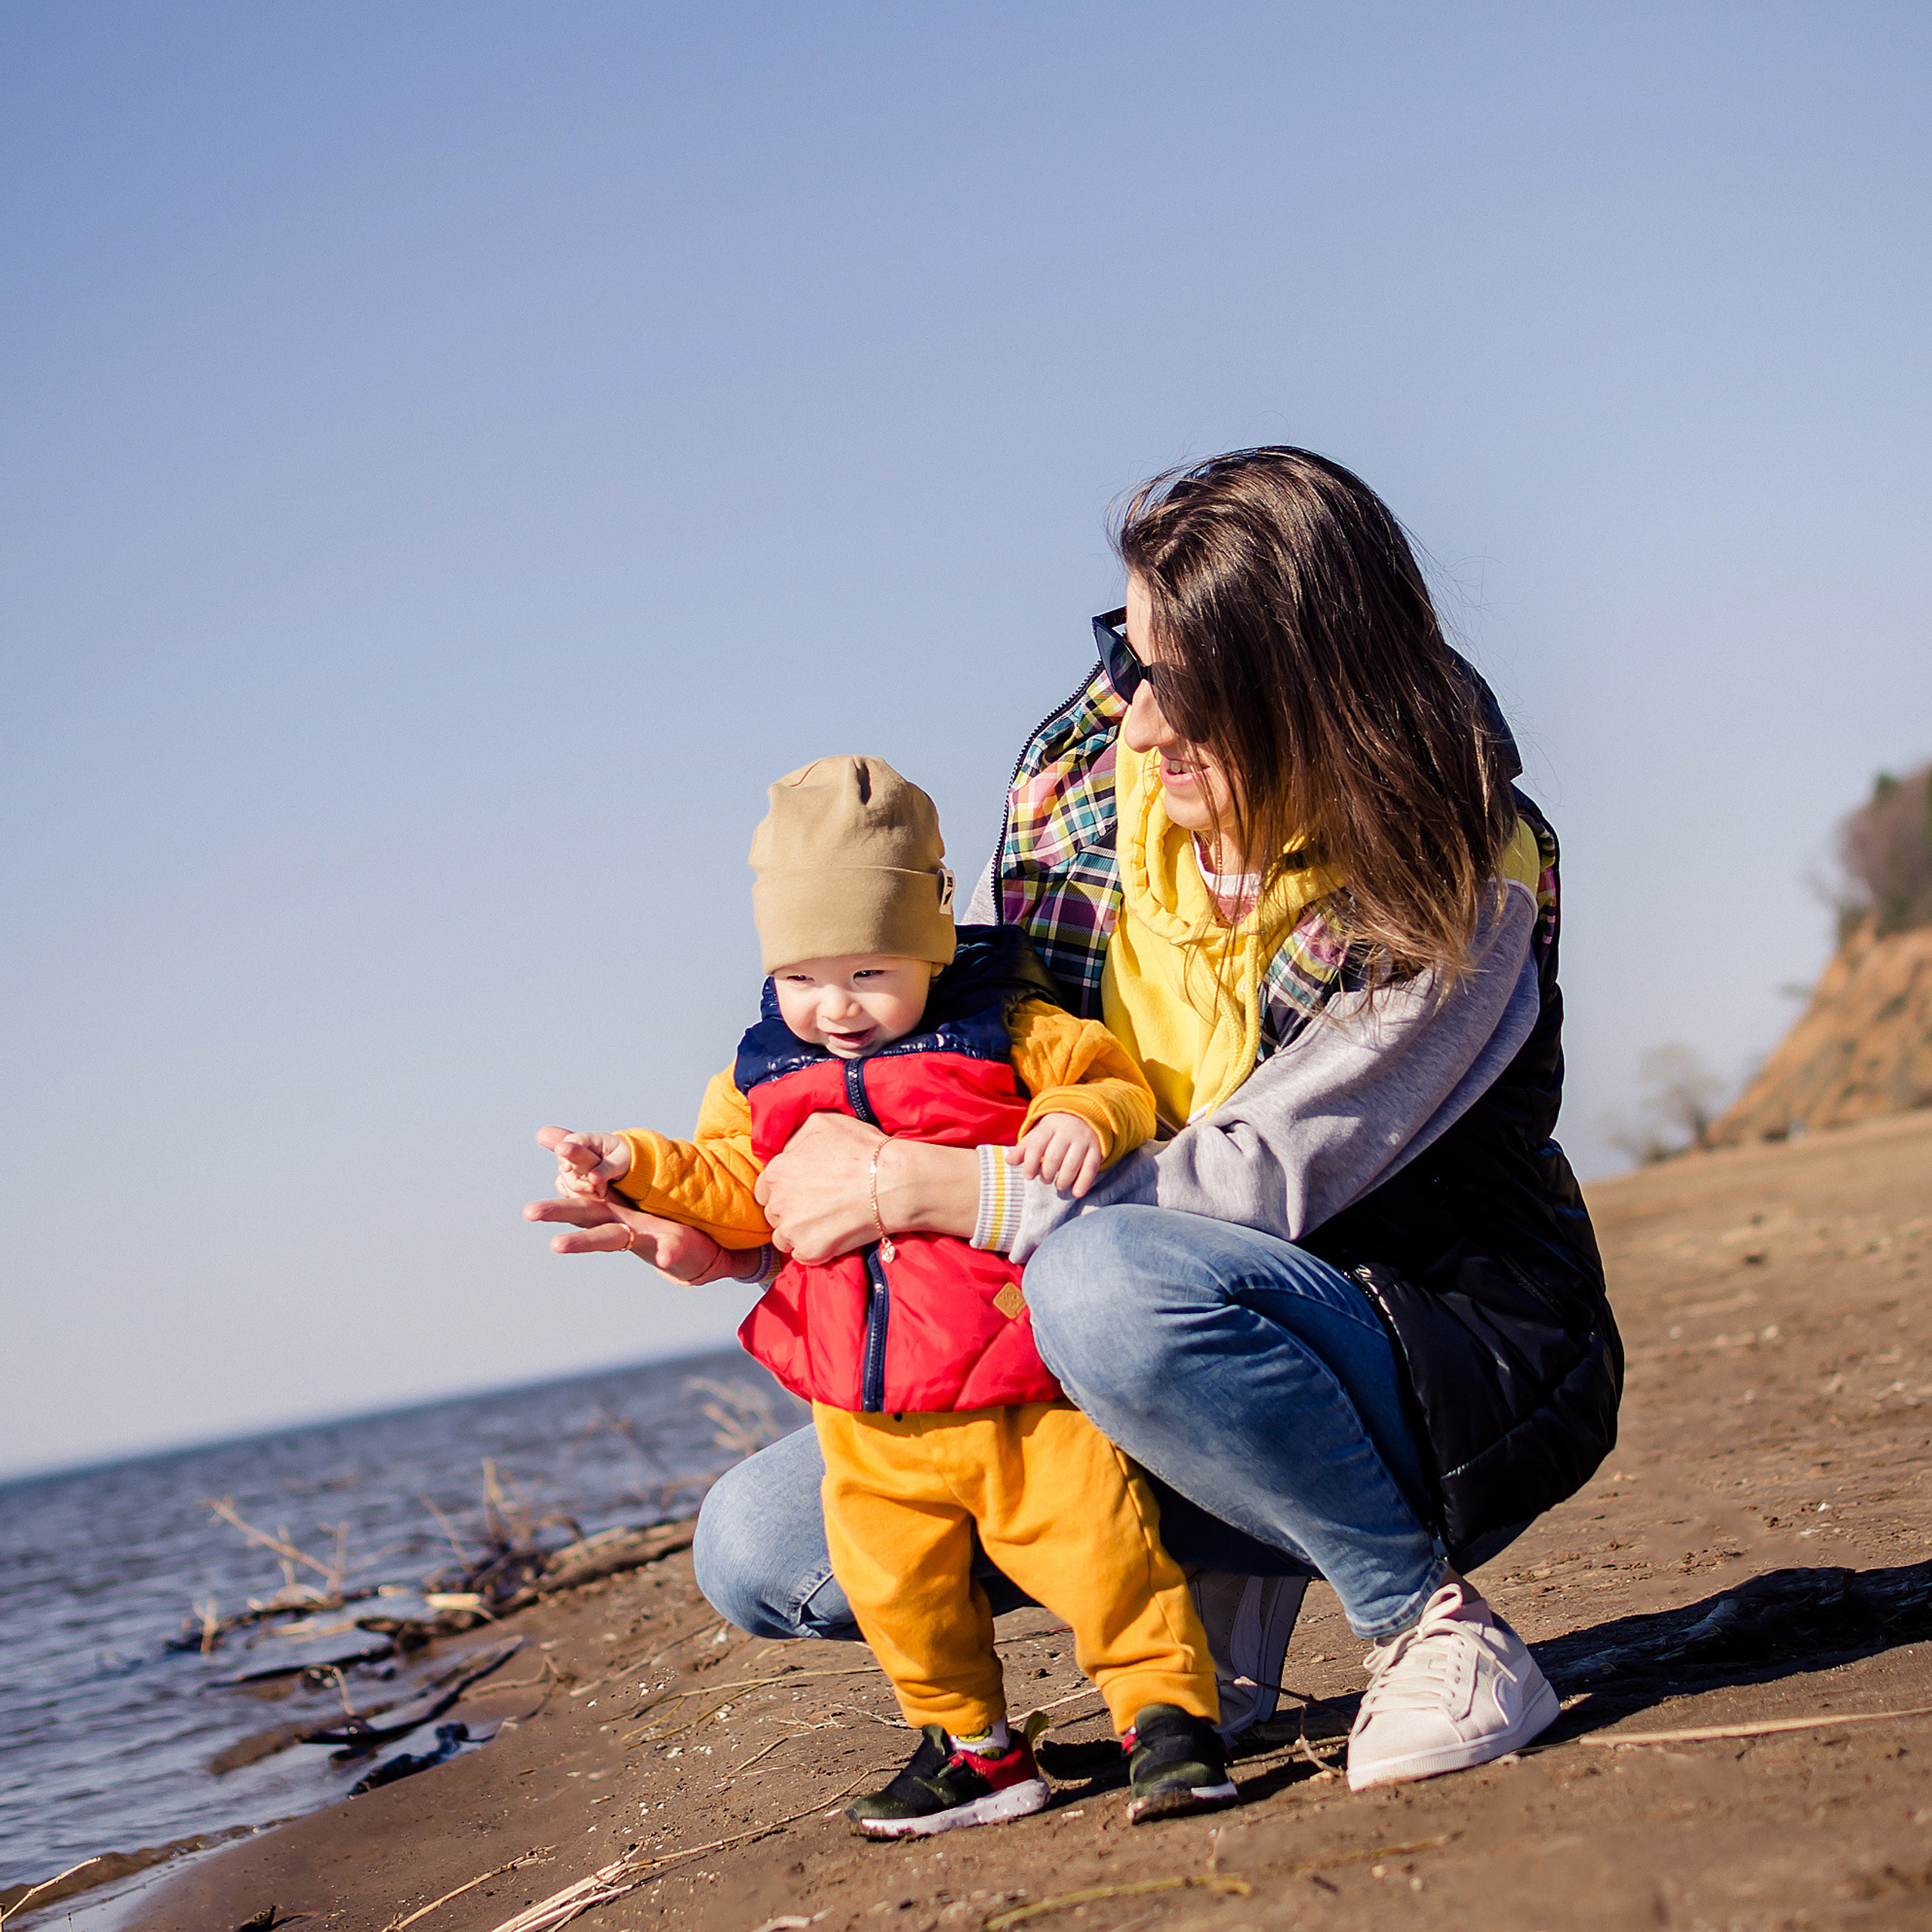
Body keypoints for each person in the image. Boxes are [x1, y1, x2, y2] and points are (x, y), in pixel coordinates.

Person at [531, 448, 1621, 1796]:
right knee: (763, 1546)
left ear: (1311, 693)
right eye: (1133, 658)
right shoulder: (1077, 794)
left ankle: (1429, 1626)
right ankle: (1218, 1553)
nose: (1144, 723)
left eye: (1191, 690)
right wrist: (746, 1245)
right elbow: (982, 1096)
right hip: (1099, 1306)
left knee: (1106, 1285)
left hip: (1420, 1328)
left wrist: (923, 1193)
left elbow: (1254, 1181)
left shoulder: (1458, 866)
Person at [533, 754, 1240, 1835]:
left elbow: (1110, 1079)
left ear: (932, 940)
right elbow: (736, 1189)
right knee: (899, 1592)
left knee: (1101, 1550)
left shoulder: (1001, 1028)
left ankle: (1168, 1719)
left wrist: (1082, 1118)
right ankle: (975, 1749)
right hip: (862, 1414)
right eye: (805, 977)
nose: (838, 1007)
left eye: (871, 972)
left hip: (1015, 1383)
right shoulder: (759, 1077)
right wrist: (630, 1160)